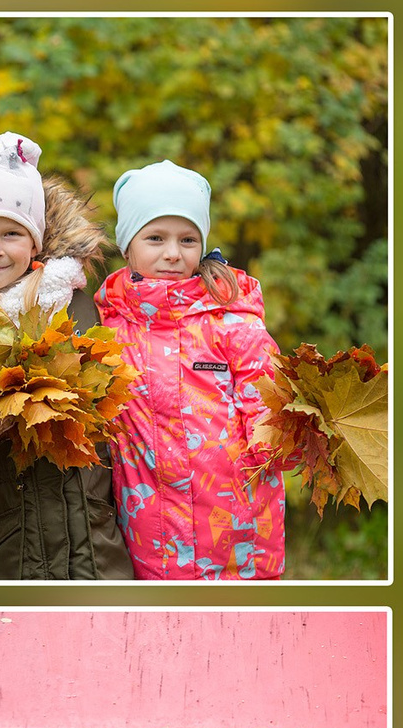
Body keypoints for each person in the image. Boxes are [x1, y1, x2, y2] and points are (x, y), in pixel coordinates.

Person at [0, 133, 133, 580]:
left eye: (12, 234)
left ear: (35, 243)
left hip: (87, 534)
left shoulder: (72, 306)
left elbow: (105, 402)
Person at [98, 160, 285, 580]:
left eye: (187, 239)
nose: (172, 253)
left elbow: (271, 414)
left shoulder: (233, 322)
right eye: (155, 238)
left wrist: (274, 451)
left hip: (236, 525)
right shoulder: (108, 327)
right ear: (128, 245)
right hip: (150, 525)